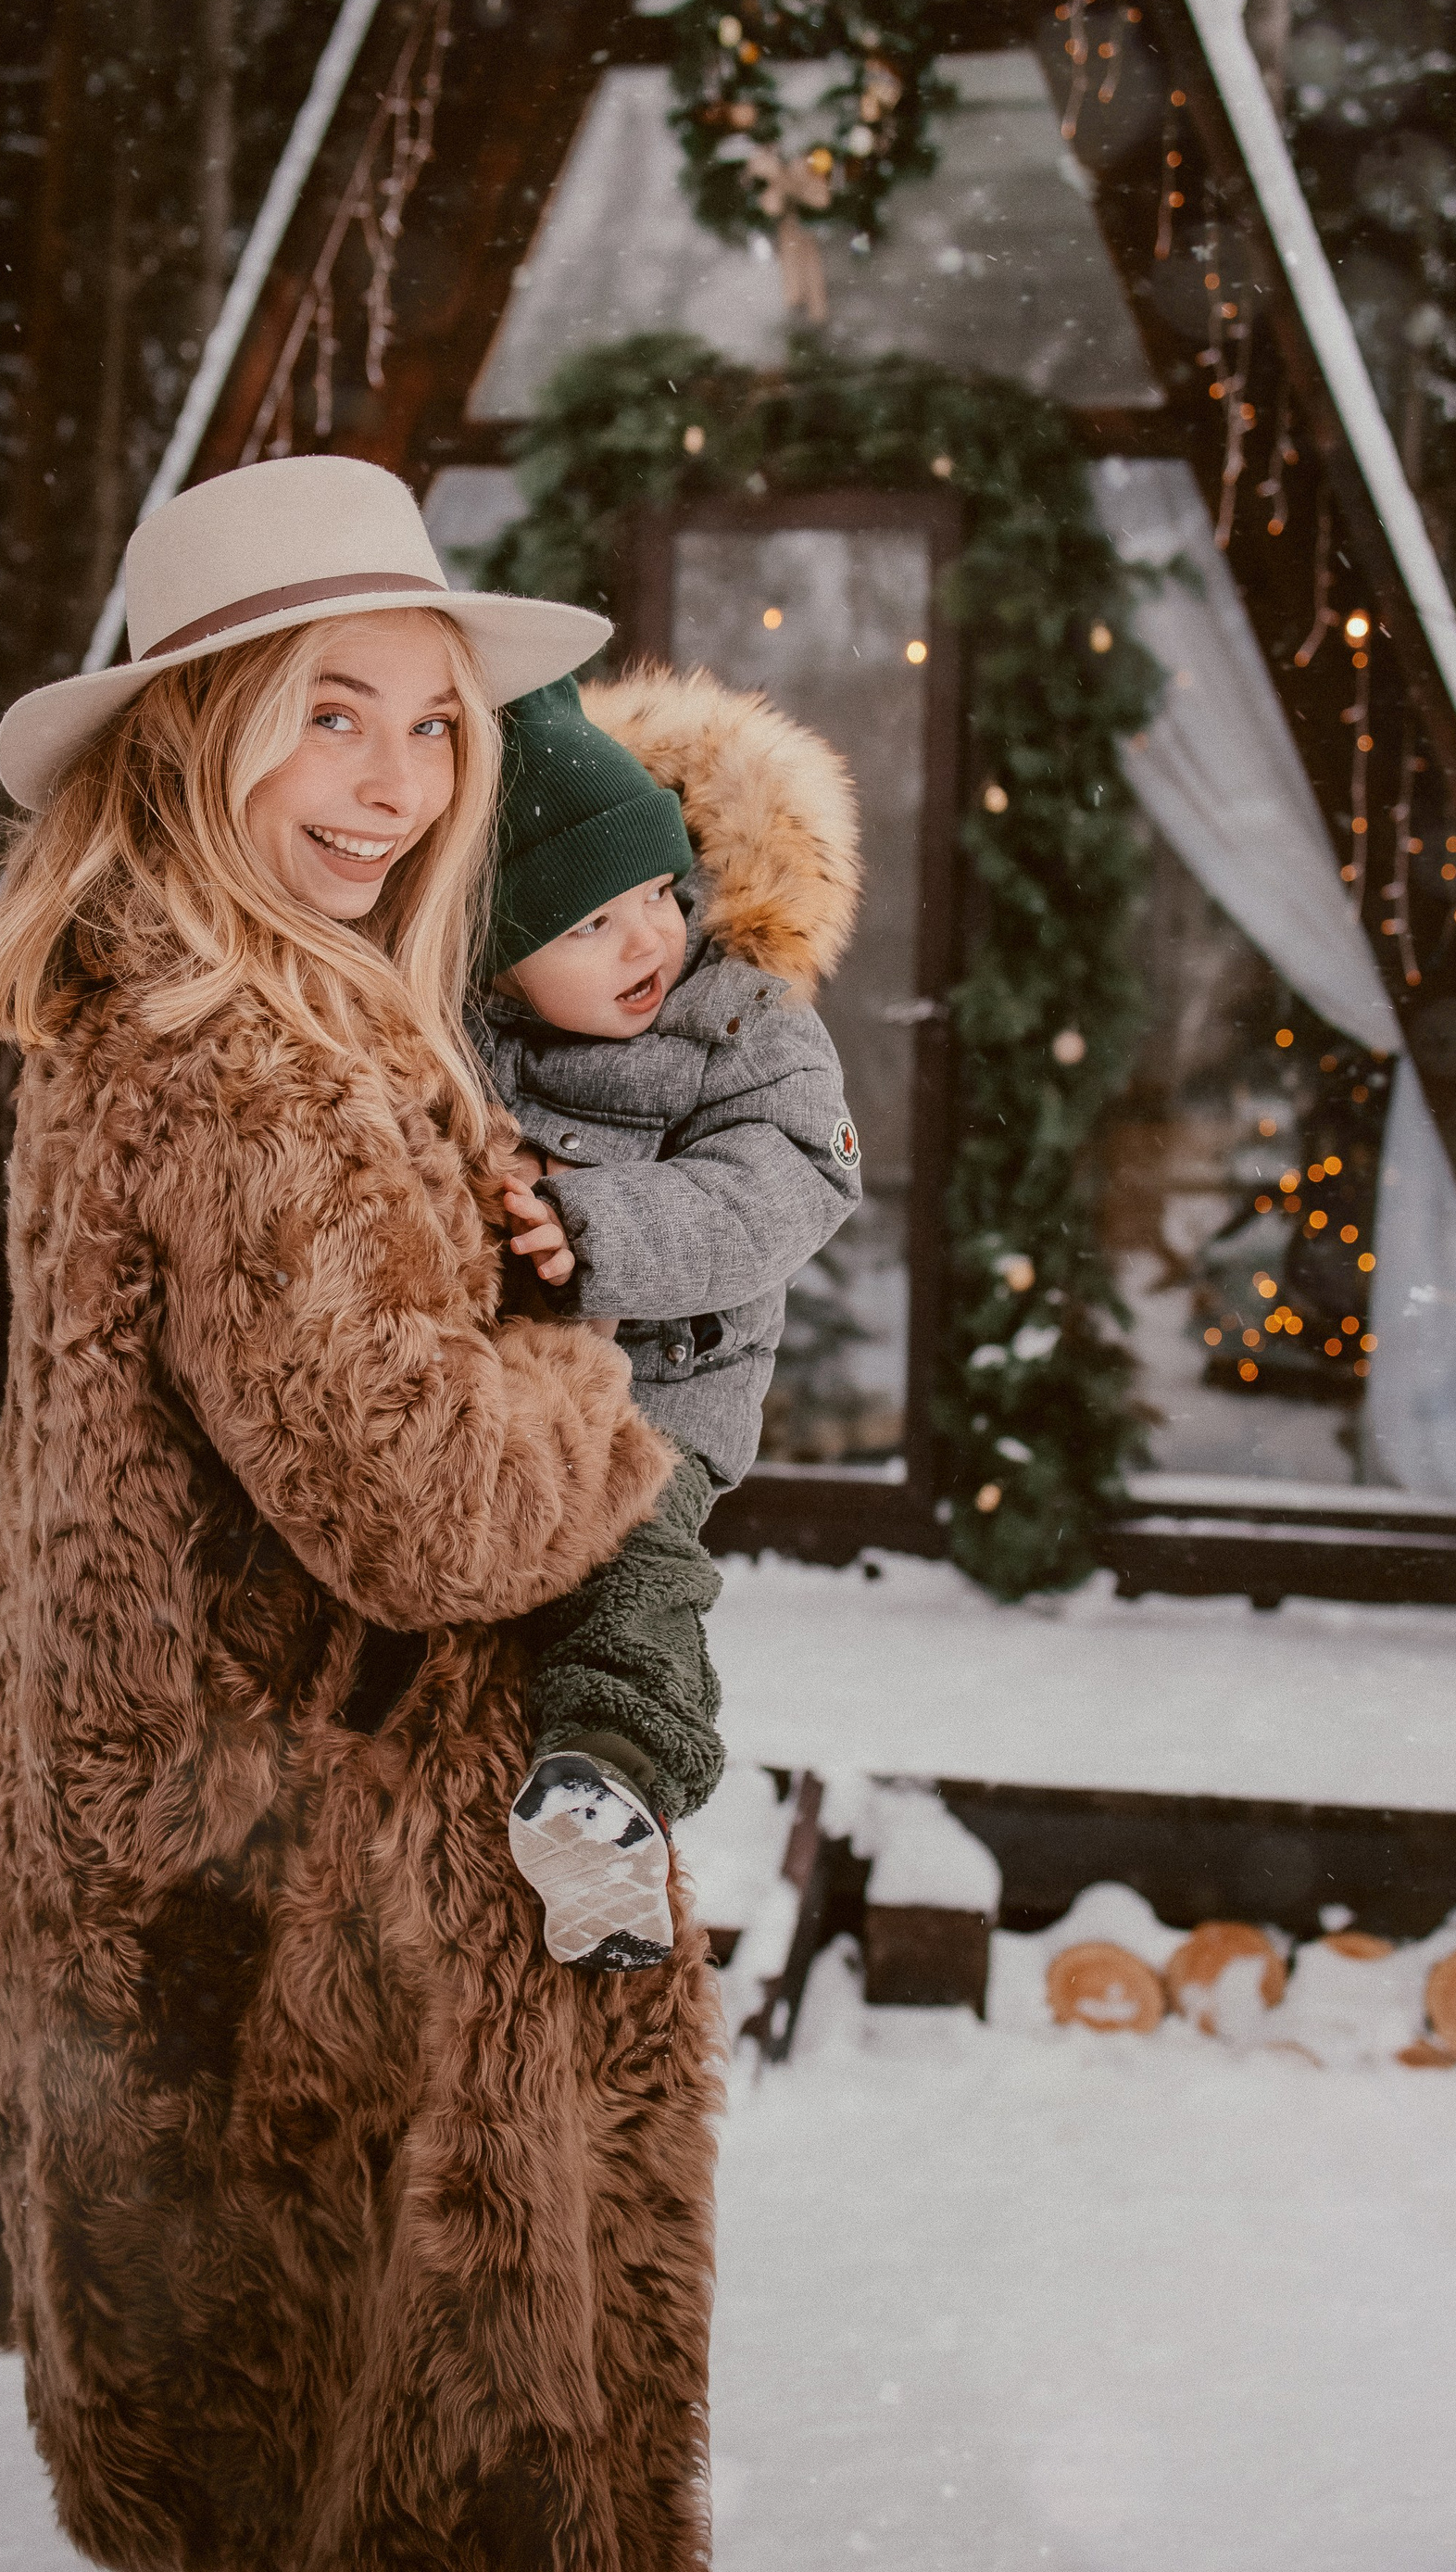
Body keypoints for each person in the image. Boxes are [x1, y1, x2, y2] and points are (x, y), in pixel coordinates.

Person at [0, 456, 722, 2572]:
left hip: (206, 1909)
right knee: (396, 2497)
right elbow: (433, 1516)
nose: (393, 783)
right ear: (198, 732)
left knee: (259, 2499)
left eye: (431, 720)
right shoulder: (245, 1061)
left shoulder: (181, 1005)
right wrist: (590, 1369)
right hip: (311, 1963)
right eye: (328, 714)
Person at [475, 669, 862, 1972]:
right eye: (591, 923)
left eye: (657, 891)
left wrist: (596, 1229)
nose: (648, 939)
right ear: (498, 956)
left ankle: (609, 1788)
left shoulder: (742, 1019)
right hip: (497, 1399)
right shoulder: (469, 1038)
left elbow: (789, 1183)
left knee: (639, 1578)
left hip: (664, 1400)